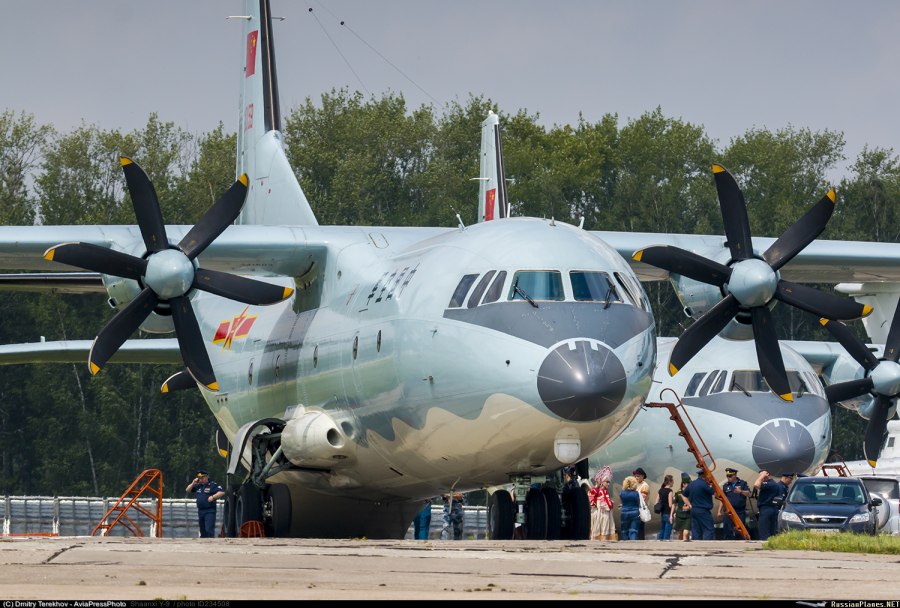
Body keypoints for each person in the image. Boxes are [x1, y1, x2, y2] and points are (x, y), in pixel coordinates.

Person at [185, 470, 225, 538]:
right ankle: (204, 546)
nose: (200, 479)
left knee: (209, 530)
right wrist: (193, 483)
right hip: (200, 511)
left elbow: (222, 492)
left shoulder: (212, 485)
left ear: (207, 477)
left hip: (209, 511)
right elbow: (187, 490)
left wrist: (213, 497)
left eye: (202, 478)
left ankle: (210, 545)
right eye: (199, 478)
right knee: (202, 531)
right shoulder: (198, 486)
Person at [754, 470, 791, 540]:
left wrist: (762, 476)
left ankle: (764, 546)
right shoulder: (772, 484)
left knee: (764, 530)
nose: (760, 477)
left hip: (766, 509)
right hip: (772, 509)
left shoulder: (770, 484)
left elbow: (756, 485)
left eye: (761, 475)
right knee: (772, 530)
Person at [717, 467, 750, 540]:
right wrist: (719, 511)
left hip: (739, 511)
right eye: (727, 476)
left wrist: (741, 491)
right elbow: (722, 499)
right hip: (728, 512)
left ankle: (741, 544)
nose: (728, 478)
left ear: (734, 475)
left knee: (740, 530)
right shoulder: (726, 486)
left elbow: (748, 494)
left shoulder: (742, 483)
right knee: (727, 530)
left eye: (730, 476)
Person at [684, 468, 714, 540]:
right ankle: (707, 546)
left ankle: (697, 546)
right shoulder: (704, 484)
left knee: (696, 530)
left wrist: (689, 505)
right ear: (704, 476)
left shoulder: (692, 484)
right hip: (703, 510)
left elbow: (684, 494)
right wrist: (712, 485)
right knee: (708, 528)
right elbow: (712, 492)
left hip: (693, 510)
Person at [588, 467, 616, 540]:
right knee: (604, 529)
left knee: (598, 528)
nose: (608, 484)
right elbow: (606, 505)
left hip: (598, 513)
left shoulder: (595, 490)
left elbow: (592, 502)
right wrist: (611, 503)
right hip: (603, 514)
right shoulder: (602, 491)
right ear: (602, 482)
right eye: (607, 482)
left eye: (609, 482)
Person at [619, 475, 641, 540]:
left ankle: (625, 545)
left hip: (624, 512)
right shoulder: (636, 493)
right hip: (635, 512)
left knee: (624, 531)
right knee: (633, 530)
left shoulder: (621, 493)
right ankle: (633, 544)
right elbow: (638, 503)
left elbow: (621, 503)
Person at [672, 472, 693, 541]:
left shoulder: (691, 492)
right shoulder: (678, 493)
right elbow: (674, 504)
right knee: (679, 535)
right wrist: (671, 514)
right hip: (679, 515)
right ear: (683, 484)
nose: (690, 485)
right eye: (688, 484)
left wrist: (689, 507)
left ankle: (686, 548)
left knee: (685, 533)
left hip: (688, 515)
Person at [632, 467, 650, 540]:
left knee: (640, 527)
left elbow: (643, 498)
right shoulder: (637, 484)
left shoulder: (645, 486)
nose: (636, 477)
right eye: (635, 476)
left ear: (643, 476)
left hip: (641, 508)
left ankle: (640, 541)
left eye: (638, 476)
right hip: (636, 508)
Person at [656, 474, 675, 540]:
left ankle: (659, 541)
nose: (673, 483)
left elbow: (656, 502)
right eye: (672, 481)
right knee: (667, 531)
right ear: (670, 482)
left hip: (662, 513)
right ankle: (666, 543)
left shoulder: (660, 490)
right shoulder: (670, 491)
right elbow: (670, 504)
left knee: (662, 529)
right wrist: (673, 503)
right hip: (668, 513)